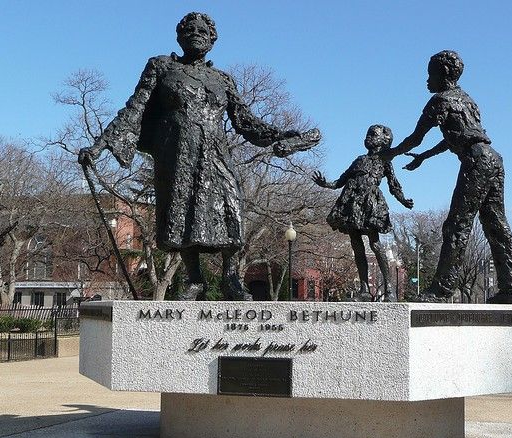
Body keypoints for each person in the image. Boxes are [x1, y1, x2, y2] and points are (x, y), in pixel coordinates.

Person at [78, 12, 319, 300]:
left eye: (202, 30)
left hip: (215, 153)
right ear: (178, 37)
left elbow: (246, 123)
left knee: (232, 206)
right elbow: (135, 108)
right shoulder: (161, 67)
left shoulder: (222, 79)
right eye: (189, 29)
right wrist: (100, 144)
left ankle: (230, 276)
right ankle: (195, 279)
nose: (196, 33)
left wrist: (283, 136)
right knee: (183, 213)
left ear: (212, 39)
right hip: (177, 155)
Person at [385, 50, 512, 304]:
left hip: (477, 162)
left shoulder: (440, 101)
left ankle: (441, 290)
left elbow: (415, 137)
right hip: (493, 159)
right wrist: (424, 157)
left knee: (457, 225)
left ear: (443, 74)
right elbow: (461, 137)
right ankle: (509, 288)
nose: (427, 80)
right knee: (496, 224)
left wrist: (389, 154)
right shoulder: (468, 101)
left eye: (430, 74)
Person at [313, 125, 413, 302]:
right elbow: (340, 181)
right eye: (367, 134)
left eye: (372, 135)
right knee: (357, 246)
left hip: (370, 205)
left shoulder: (385, 160)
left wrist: (403, 200)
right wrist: (325, 184)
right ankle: (364, 289)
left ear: (384, 141)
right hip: (351, 205)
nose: (368, 137)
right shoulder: (359, 160)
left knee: (375, 245)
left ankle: (389, 289)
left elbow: (393, 185)